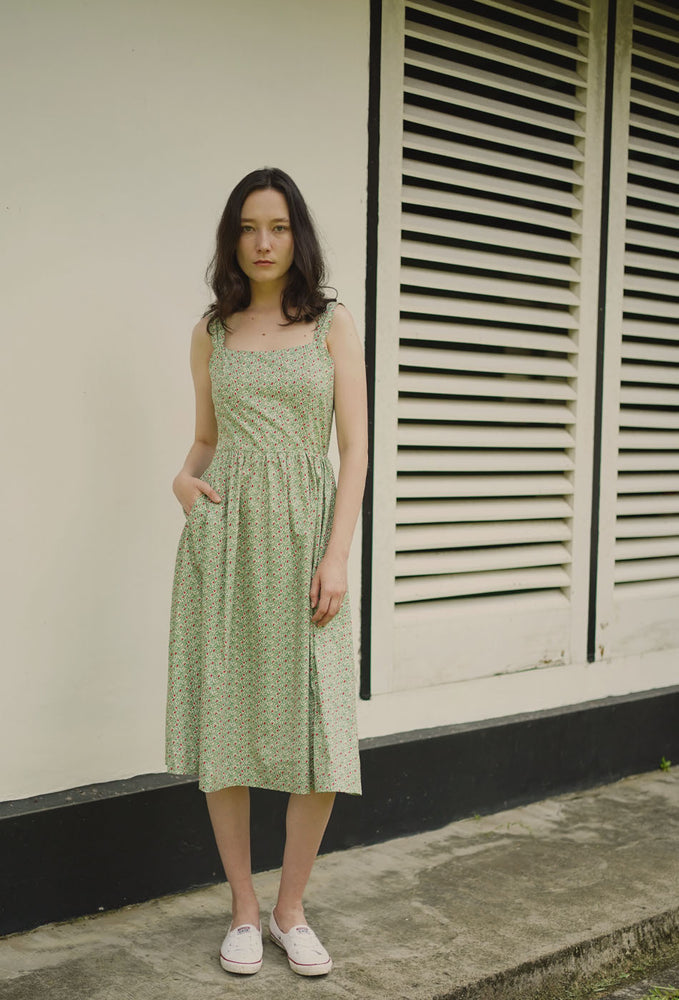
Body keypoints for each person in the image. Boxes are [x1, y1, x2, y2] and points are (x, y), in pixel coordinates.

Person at [165, 167, 368, 978]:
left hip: (306, 535)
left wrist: (336, 553)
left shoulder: (329, 324)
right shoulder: (210, 331)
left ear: (297, 236)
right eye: (249, 227)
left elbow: (352, 449)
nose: (262, 242)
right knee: (229, 720)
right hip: (226, 540)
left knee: (317, 723)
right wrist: (182, 481)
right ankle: (244, 913)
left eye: (277, 227)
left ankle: (291, 909)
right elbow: (205, 441)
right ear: (232, 236)